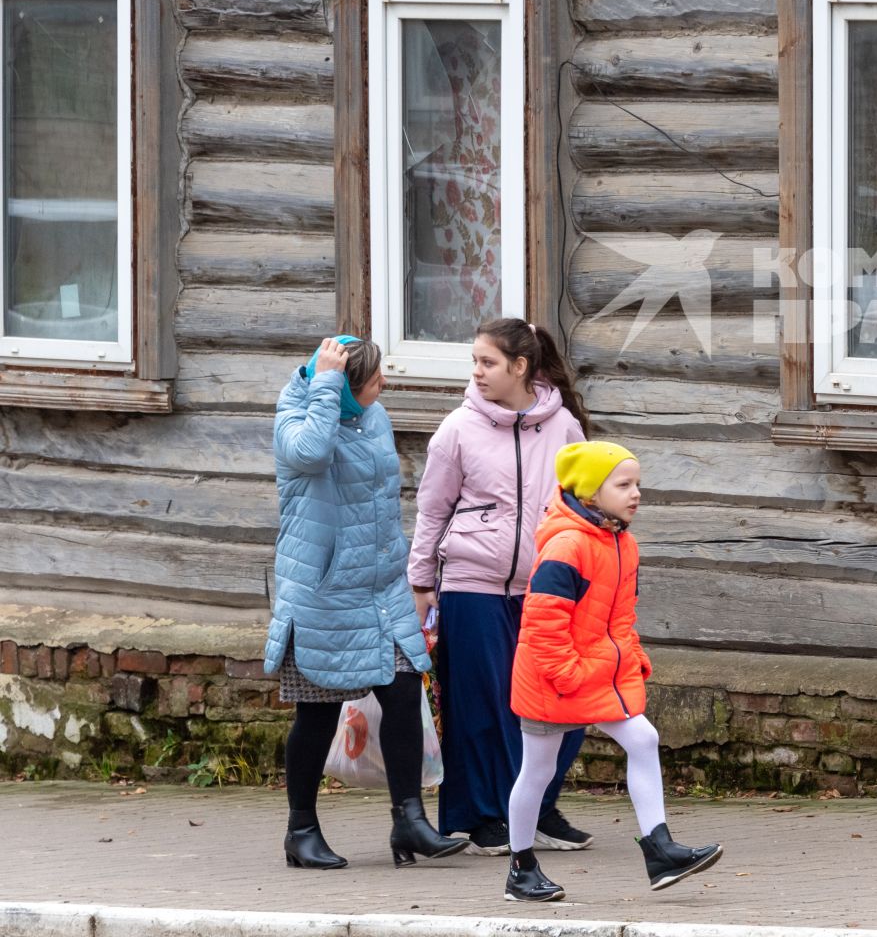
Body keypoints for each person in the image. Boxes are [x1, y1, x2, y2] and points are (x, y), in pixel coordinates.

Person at [267, 335, 468, 870]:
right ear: (345, 387)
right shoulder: (293, 418)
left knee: (403, 692)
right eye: (375, 378)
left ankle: (410, 821)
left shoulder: (372, 414)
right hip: (323, 596)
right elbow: (311, 454)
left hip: (381, 589)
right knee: (319, 715)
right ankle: (301, 830)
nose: (385, 385)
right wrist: (327, 385)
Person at [501, 441, 723, 903]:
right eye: (623, 485)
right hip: (553, 677)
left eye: (637, 483)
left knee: (643, 739)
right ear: (590, 493)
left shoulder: (623, 542)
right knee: (538, 770)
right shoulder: (567, 546)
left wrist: (632, 655)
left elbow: (621, 615)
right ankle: (521, 869)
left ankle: (660, 850)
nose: (635, 493)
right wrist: (567, 676)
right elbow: (542, 624)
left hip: (596, 673)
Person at [406, 318, 592, 855]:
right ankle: (484, 817)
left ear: (520, 367)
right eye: (475, 362)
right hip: (472, 585)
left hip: (548, 588)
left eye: (487, 362)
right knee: (483, 706)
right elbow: (431, 511)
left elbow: (582, 507)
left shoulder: (564, 429)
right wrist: (421, 581)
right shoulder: (457, 429)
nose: (477, 372)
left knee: (564, 700)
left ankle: (538, 805)